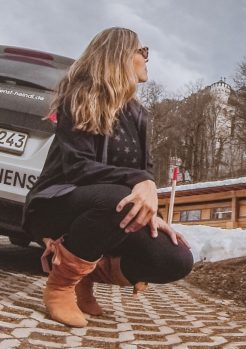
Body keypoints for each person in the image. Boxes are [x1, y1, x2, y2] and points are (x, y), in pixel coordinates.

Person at [22, 27, 193, 328]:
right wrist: (140, 181)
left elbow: (145, 172)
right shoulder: (80, 96)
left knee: (175, 257)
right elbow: (78, 168)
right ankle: (62, 285)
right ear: (121, 54)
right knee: (119, 199)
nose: (147, 58)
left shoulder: (140, 115)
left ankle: (84, 277)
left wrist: (153, 210)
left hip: (108, 212)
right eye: (143, 51)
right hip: (56, 205)